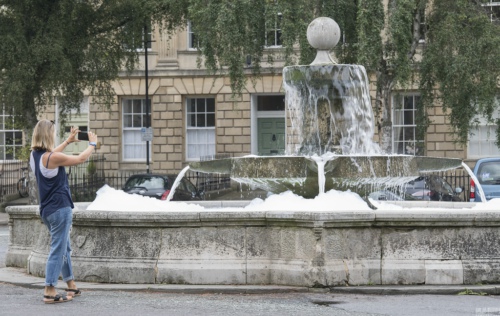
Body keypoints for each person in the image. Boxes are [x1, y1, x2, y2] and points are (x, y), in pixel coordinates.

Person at [30, 119, 98, 304]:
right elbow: (80, 159)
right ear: (48, 135)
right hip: (60, 208)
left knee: (64, 247)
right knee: (58, 248)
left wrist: (68, 141)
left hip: (47, 209)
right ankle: (49, 290)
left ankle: (71, 285)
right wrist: (92, 144)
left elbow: (52, 155)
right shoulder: (52, 158)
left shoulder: (36, 156)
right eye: (53, 132)